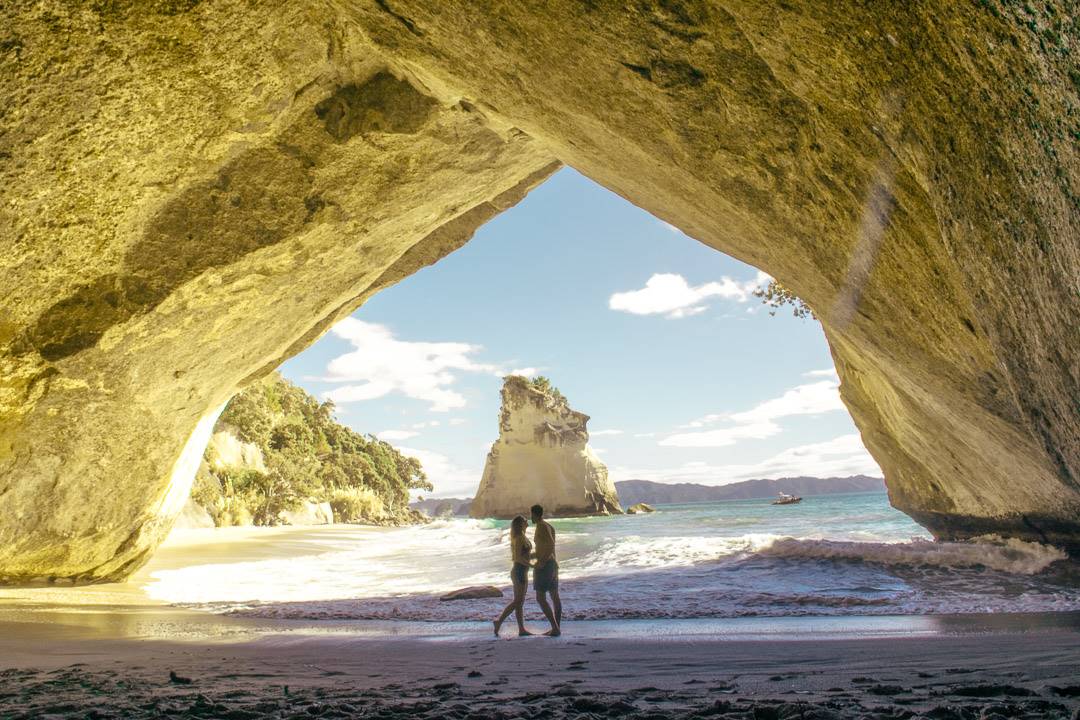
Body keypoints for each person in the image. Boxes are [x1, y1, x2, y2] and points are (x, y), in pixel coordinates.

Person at [493, 515, 533, 637]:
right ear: (520, 524)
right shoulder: (520, 538)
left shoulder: (522, 536)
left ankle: (521, 629)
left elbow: (525, 555)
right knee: (518, 601)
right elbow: (517, 558)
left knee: (519, 602)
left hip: (522, 570)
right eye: (525, 520)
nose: (527, 521)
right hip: (519, 571)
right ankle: (499, 621)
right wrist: (533, 565)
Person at [530, 504, 561, 636]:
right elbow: (545, 547)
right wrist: (530, 556)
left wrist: (542, 562)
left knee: (540, 598)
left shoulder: (541, 526)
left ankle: (555, 627)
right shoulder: (548, 526)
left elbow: (550, 544)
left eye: (531, 514)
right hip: (552, 564)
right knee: (554, 596)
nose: (530, 517)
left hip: (546, 566)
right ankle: (556, 628)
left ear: (534, 514)